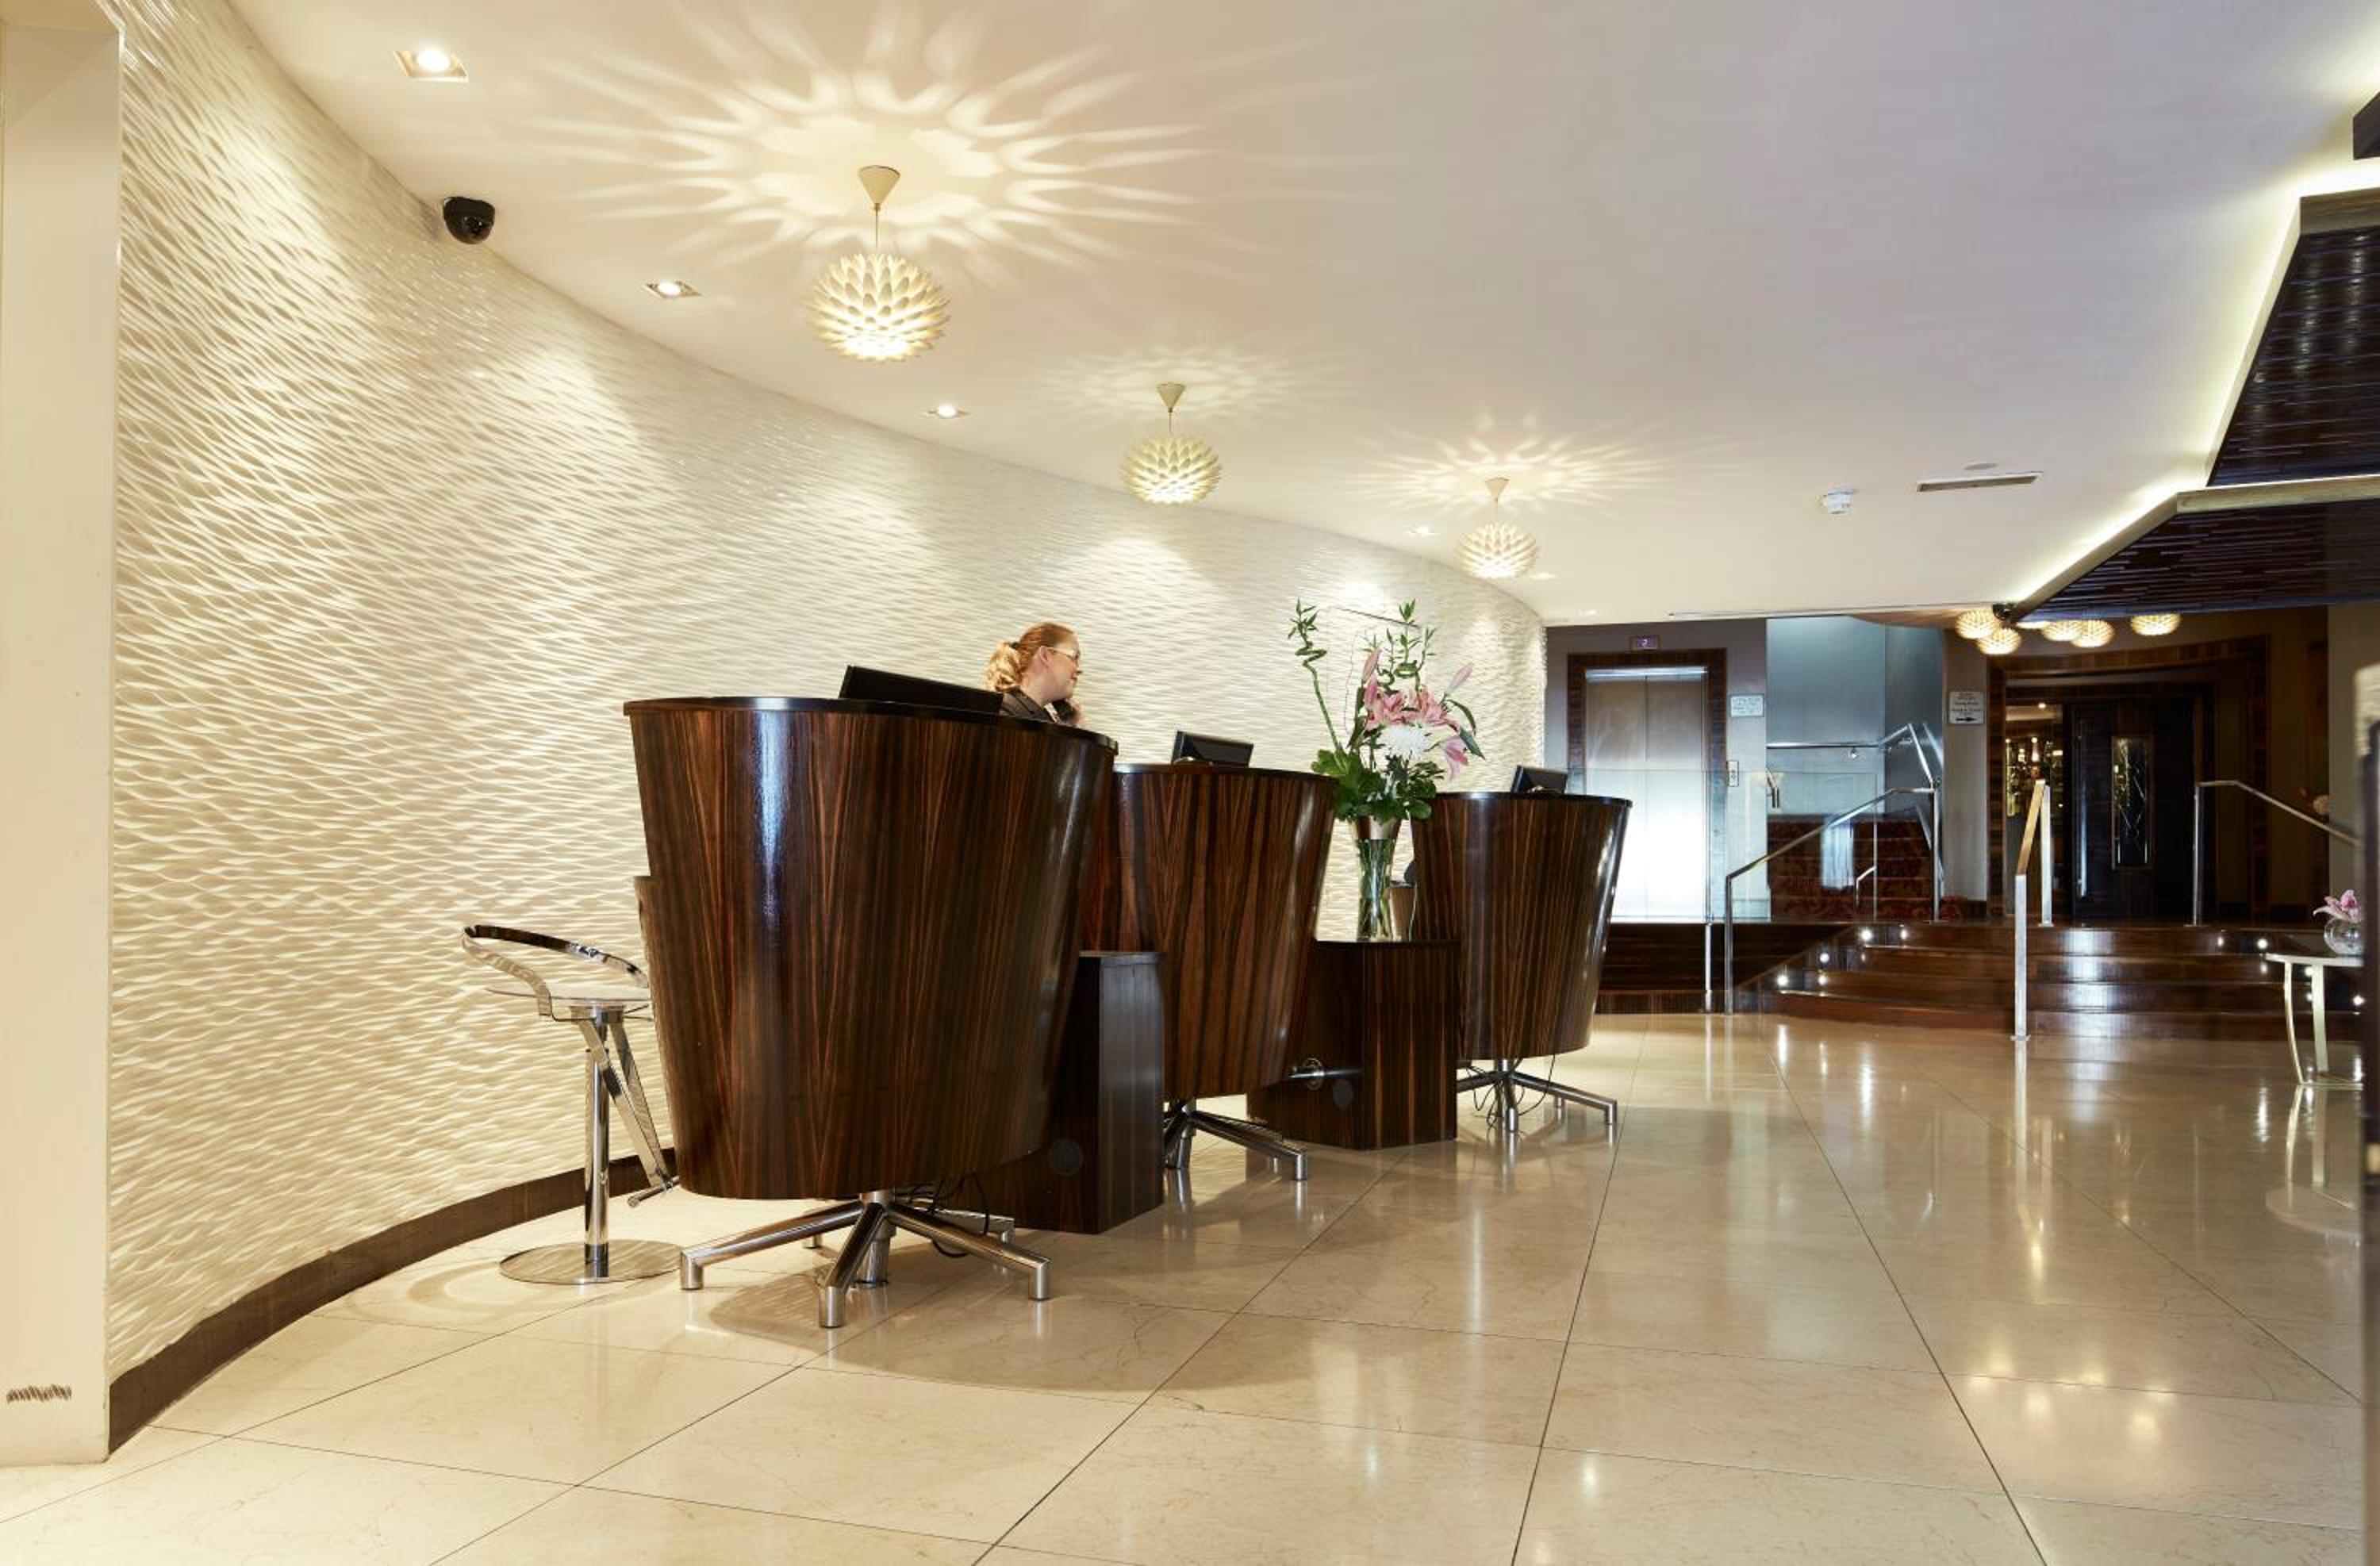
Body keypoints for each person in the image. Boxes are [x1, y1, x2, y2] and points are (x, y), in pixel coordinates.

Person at [985, 621, 1083, 725]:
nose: (1079, 670)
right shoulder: (1005, 714)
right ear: (1045, 655)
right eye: (1075, 657)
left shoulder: (1036, 718)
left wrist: (1070, 728)